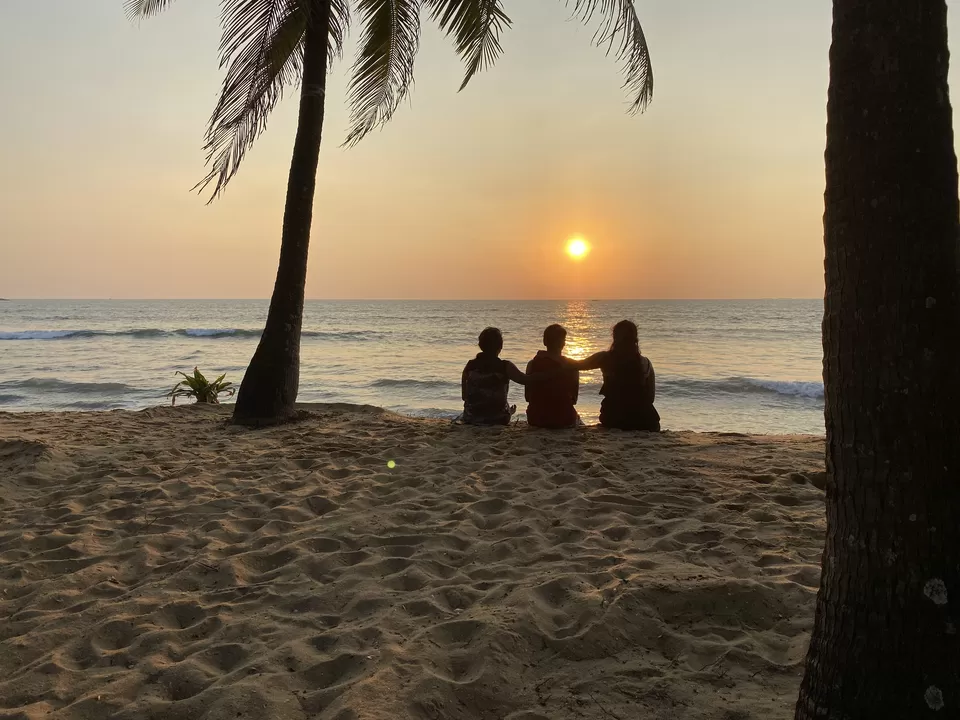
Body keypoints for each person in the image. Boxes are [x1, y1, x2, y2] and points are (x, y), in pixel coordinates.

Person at [571, 320, 660, 431]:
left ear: (614, 337)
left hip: (615, 419)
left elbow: (576, 366)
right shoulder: (646, 363)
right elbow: (650, 398)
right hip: (647, 421)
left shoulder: (605, 358)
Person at [460, 327, 529, 425]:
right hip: (498, 419)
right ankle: (508, 411)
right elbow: (524, 380)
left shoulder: (470, 366)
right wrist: (544, 374)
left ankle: (507, 410)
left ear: (480, 345)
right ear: (500, 347)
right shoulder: (505, 366)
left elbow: (464, 396)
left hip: (471, 418)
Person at [525, 324, 581, 428]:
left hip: (536, 419)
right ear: (563, 343)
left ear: (544, 342)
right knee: (577, 418)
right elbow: (574, 400)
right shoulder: (572, 366)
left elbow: (527, 397)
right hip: (564, 419)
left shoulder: (532, 364)